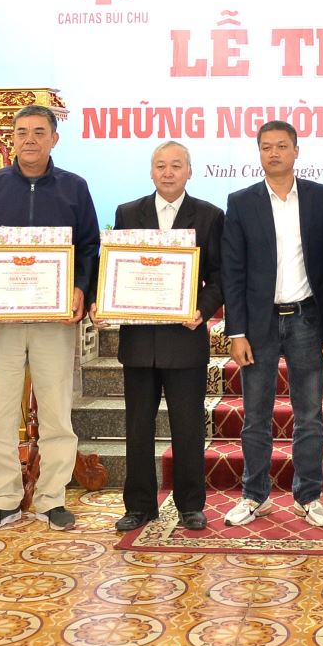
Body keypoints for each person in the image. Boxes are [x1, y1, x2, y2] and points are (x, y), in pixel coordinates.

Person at [0, 105, 100, 533]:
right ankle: (2, 498)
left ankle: (52, 498)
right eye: (22, 132)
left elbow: (89, 247)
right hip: (1, 317)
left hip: (54, 319)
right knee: (1, 410)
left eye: (39, 131)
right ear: (12, 138)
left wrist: (81, 288)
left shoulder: (74, 187)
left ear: (54, 138)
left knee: (56, 410)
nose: (30, 139)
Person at [221, 119, 323, 528]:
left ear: (296, 151)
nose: (274, 153)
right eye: (266, 146)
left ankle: (309, 496)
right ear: (259, 153)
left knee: (309, 415)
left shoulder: (322, 197)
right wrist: (236, 331)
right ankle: (255, 496)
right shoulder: (241, 202)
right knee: (256, 416)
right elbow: (233, 271)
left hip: (307, 318)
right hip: (259, 325)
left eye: (282, 145)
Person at [103, 141, 224, 533]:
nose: (168, 172)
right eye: (161, 165)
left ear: (189, 171)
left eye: (176, 165)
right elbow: (116, 267)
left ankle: (191, 505)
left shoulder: (209, 215)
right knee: (138, 427)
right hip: (139, 341)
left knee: (188, 428)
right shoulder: (127, 213)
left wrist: (202, 309)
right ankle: (139, 506)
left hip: (185, 339)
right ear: (151, 172)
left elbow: (219, 276)